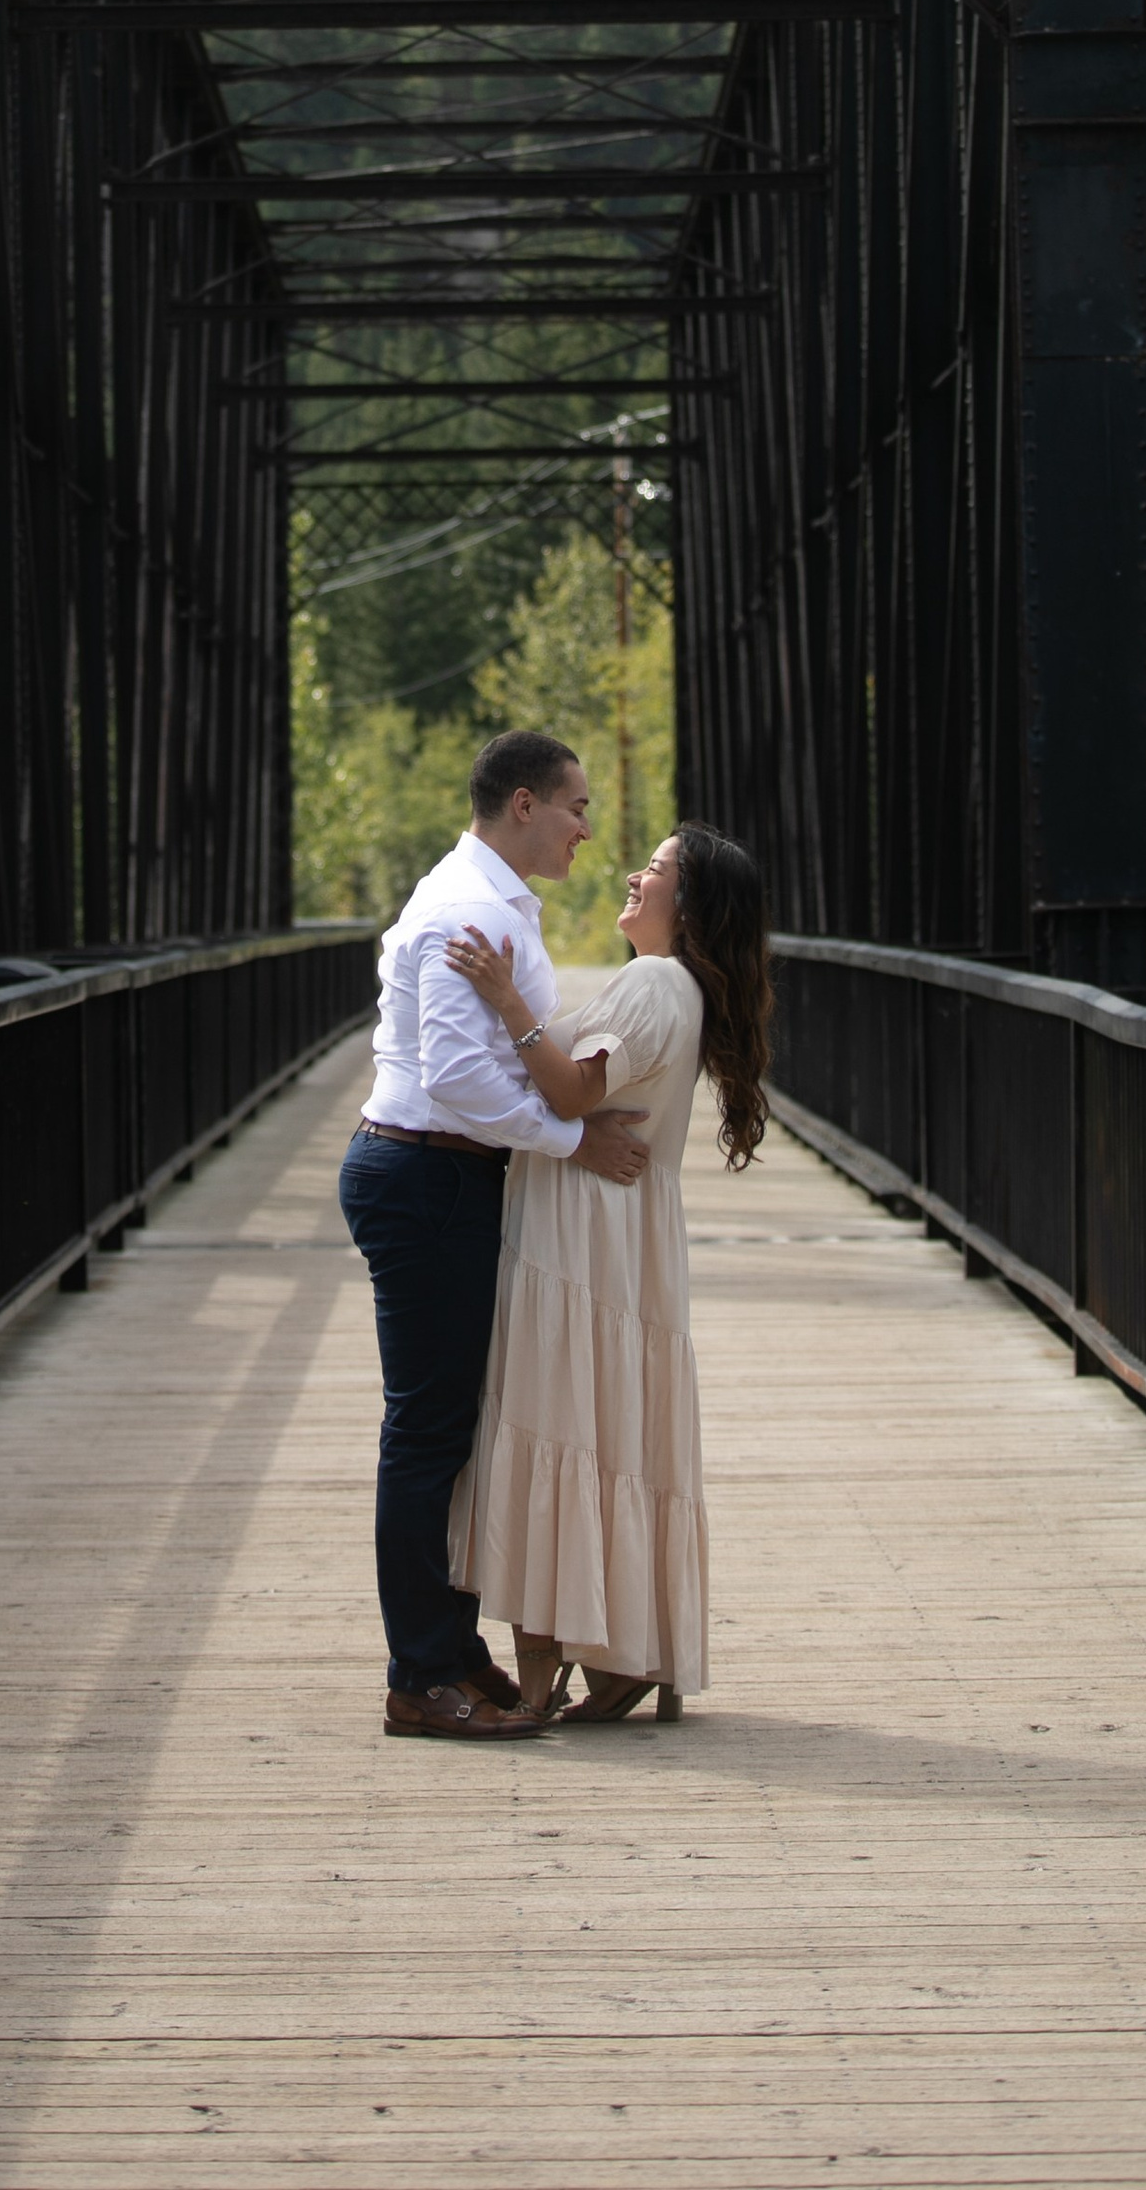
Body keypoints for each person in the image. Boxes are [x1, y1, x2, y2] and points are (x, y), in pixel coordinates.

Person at [338, 732, 652, 1743]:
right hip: (426, 1174)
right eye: (575, 806)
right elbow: (459, 1084)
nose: (586, 827)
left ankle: (452, 1656)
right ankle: (422, 1677)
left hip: (442, 1177)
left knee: (444, 1430)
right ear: (523, 804)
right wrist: (571, 1141)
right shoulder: (468, 914)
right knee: (426, 1434)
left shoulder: (488, 904)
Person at [443, 822, 770, 1721]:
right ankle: (627, 1656)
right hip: (615, 1237)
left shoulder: (657, 982)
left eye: (658, 869)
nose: (636, 872)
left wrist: (509, 1001)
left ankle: (554, 1677)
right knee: (602, 1435)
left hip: (583, 1241)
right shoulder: (674, 986)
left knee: (552, 1425)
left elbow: (573, 1093)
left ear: (689, 903)